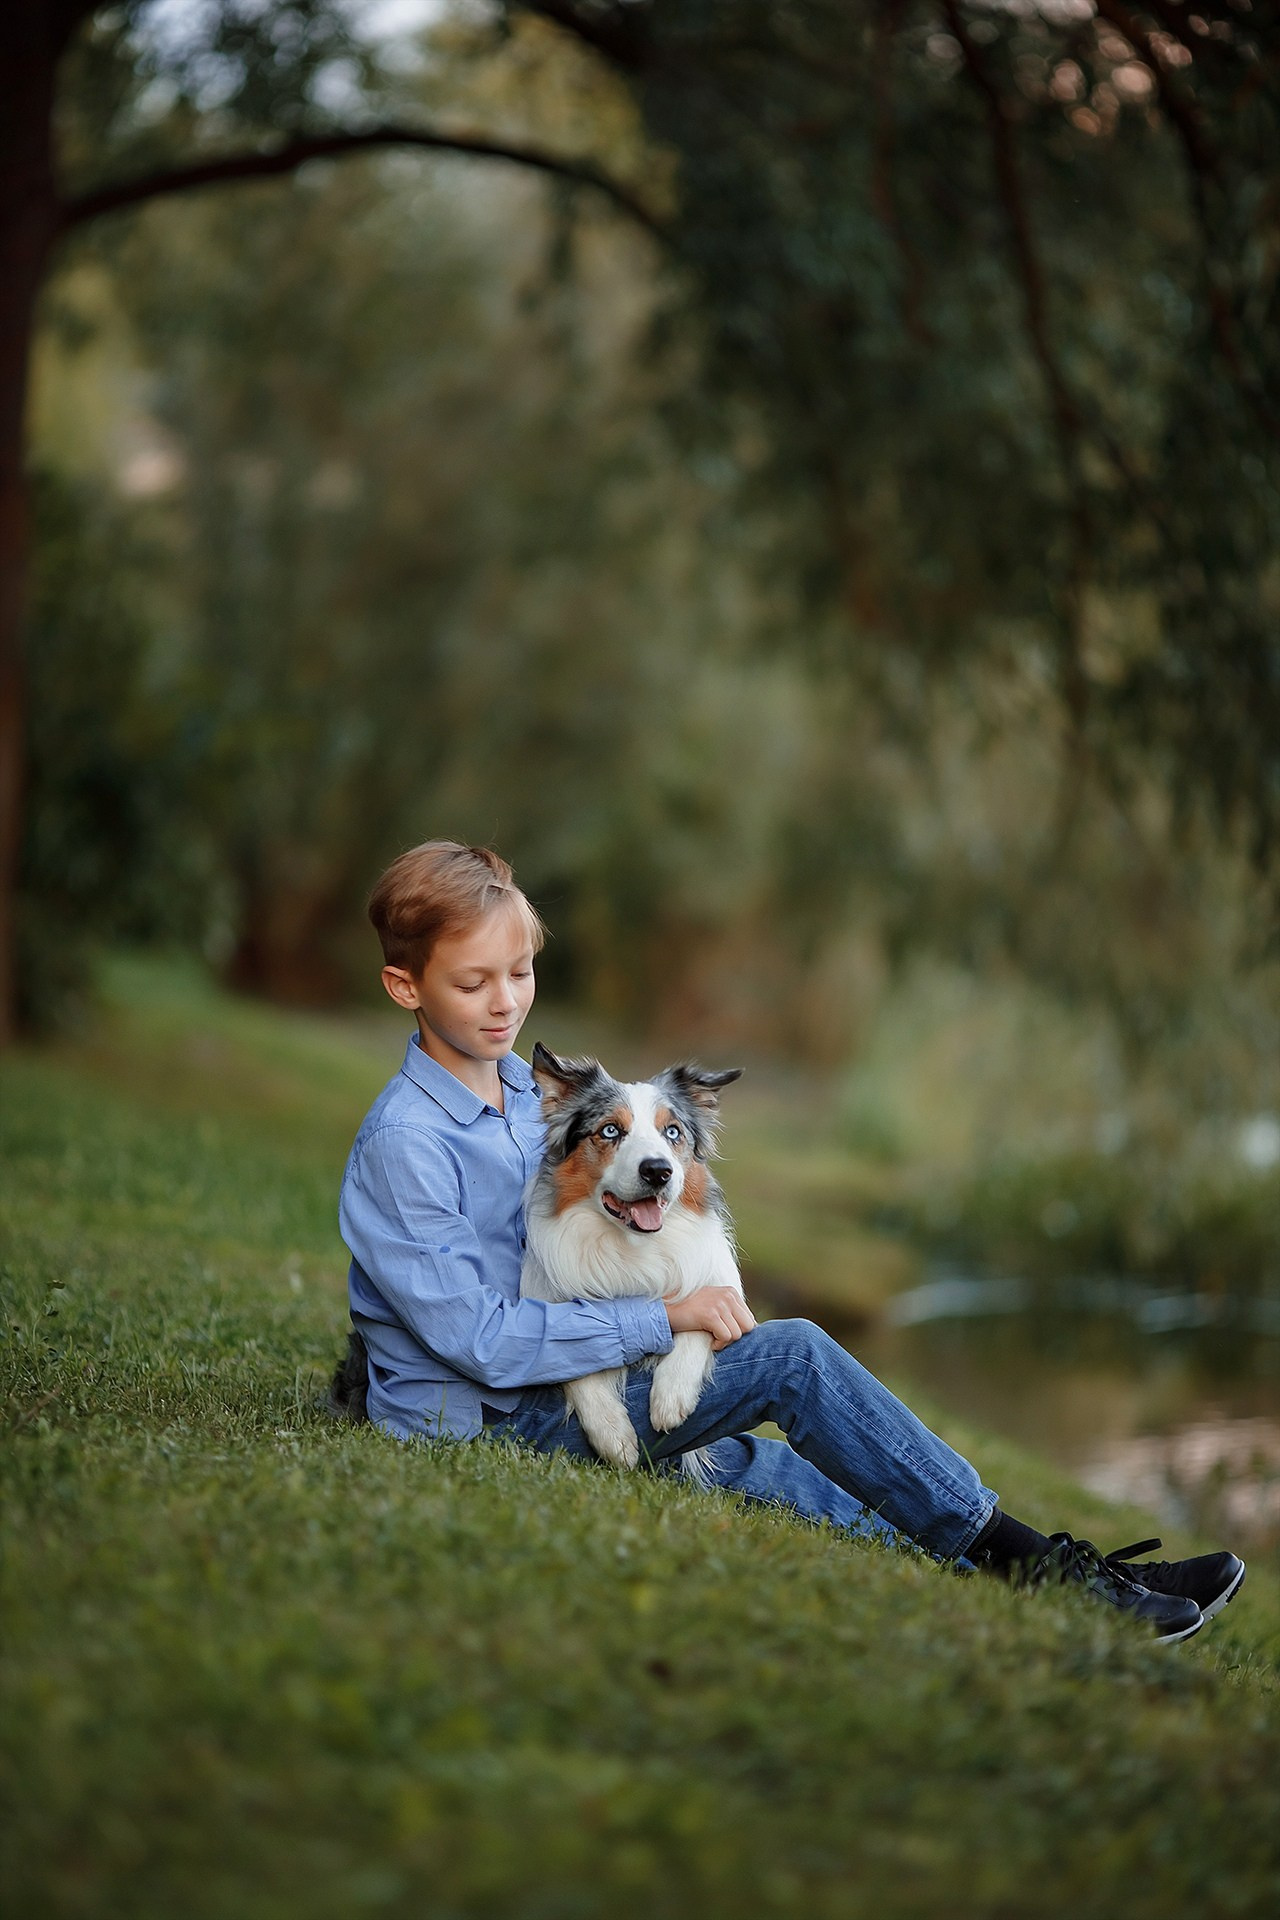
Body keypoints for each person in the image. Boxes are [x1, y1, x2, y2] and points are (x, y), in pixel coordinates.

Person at [334, 840, 1245, 1644]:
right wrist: (667, 1317)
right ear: (405, 986)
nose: (506, 1004)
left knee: (783, 1467)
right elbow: (483, 1342)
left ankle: (1070, 1578)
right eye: (473, 982)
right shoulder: (408, 1144)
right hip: (495, 1427)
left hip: (564, 1391)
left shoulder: (519, 1097)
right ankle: (1039, 1569)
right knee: (796, 1359)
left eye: (520, 974)